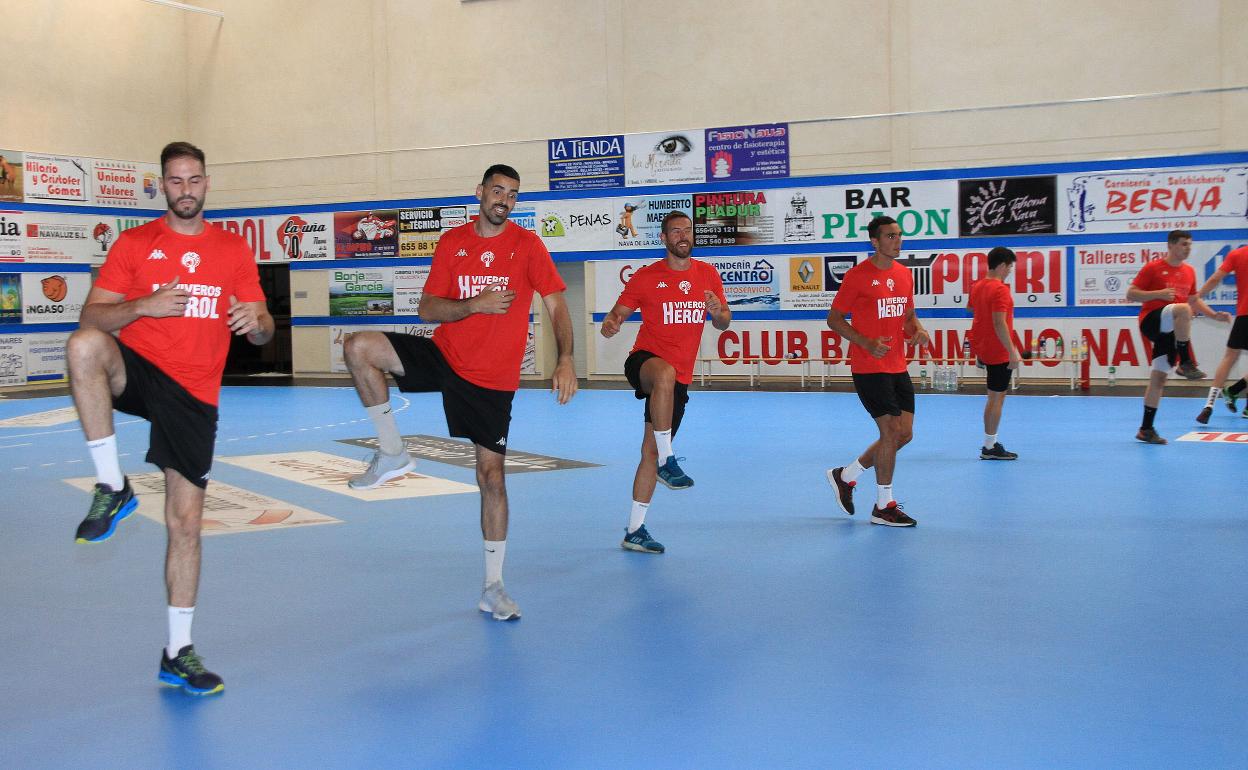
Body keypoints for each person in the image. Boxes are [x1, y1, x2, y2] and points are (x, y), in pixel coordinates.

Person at [66, 141, 274, 695]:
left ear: (208, 183)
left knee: (185, 525)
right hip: (140, 371)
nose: (186, 190)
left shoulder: (232, 251)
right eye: (176, 181)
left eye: (194, 180)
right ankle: (112, 484)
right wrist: (142, 306)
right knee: (85, 346)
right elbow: (91, 316)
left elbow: (263, 328)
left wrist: (255, 323)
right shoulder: (136, 244)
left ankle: (176, 652)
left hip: (195, 393)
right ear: (164, 185)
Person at [342, 164, 576, 620]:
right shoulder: (453, 242)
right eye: (496, 190)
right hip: (445, 358)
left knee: (492, 479)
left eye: (511, 194)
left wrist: (566, 358)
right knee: (359, 347)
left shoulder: (527, 246)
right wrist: (475, 305)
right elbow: (428, 308)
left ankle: (493, 586)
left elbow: (556, 304)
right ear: (480, 193)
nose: (503, 200)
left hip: (491, 382)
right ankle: (391, 450)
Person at [600, 211, 730, 554]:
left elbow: (723, 324)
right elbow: (618, 313)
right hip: (644, 363)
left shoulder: (707, 274)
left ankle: (634, 529)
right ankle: (669, 460)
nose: (683, 235)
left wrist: (718, 312)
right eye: (675, 231)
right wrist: (611, 323)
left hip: (676, 383)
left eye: (687, 230)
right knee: (665, 374)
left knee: (649, 451)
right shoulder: (646, 277)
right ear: (664, 238)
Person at [825, 216, 930, 527]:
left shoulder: (904, 275)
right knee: (889, 433)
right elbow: (834, 319)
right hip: (869, 366)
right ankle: (884, 506)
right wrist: (865, 342)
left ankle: (846, 475)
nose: (897, 241)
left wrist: (919, 331)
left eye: (899, 235)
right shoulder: (858, 277)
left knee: (904, 434)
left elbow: (908, 315)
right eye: (890, 236)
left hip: (898, 365)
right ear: (875, 242)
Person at [1126, 230, 1230, 443]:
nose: (1188, 248)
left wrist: (1214, 315)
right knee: (1183, 310)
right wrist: (1158, 294)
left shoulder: (1190, 271)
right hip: (1152, 320)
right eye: (1184, 244)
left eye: (1190, 245)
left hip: (1171, 331)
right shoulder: (1153, 268)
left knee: (1159, 378)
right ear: (1171, 245)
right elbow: (1131, 293)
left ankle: (1146, 429)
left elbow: (1193, 300)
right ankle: (1186, 362)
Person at [968, 246, 1021, 459]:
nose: (1009, 271)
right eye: (1009, 267)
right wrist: (1012, 352)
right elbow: (1000, 323)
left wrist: (980, 344)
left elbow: (973, 310)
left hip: (985, 346)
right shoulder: (1000, 289)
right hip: (998, 349)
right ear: (1001, 265)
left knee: (993, 396)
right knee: (997, 398)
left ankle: (990, 443)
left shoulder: (978, 286)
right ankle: (990, 445)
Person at [1196, 244, 1248, 423]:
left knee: (1229, 358)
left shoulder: (1237, 254)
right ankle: (1234, 391)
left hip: (1244, 316)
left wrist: (1197, 297)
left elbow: (1215, 278)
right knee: (1230, 358)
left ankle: (1209, 405)